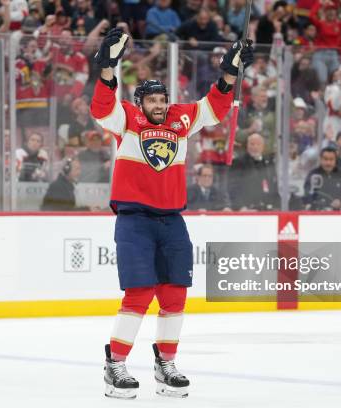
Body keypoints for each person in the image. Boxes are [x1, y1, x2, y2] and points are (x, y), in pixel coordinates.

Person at [90, 28, 253, 399]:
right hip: (135, 220)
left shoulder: (180, 121)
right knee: (139, 292)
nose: (160, 105)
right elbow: (102, 108)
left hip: (172, 220)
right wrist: (106, 67)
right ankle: (115, 364)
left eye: (163, 99)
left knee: (175, 294)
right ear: (140, 102)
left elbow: (215, 107)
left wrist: (231, 69)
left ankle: (166, 364)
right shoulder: (128, 120)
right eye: (153, 100)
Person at [228, 133, 281, 211]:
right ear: (247, 146)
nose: (255, 147)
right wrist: (241, 207)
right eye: (252, 144)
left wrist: (278, 206)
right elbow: (233, 188)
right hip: (247, 209)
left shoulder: (269, 163)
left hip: (267, 209)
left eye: (258, 144)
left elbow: (274, 187)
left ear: (263, 147)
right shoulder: (238, 162)